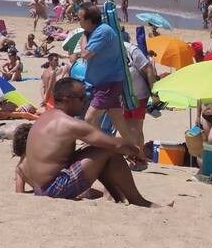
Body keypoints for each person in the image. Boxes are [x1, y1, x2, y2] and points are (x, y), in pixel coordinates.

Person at [17, 78, 156, 205]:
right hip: (53, 188)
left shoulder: (46, 117)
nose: (86, 102)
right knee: (106, 149)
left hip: (40, 188)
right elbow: (115, 144)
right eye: (82, 98)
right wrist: (138, 152)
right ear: (67, 100)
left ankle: (120, 198)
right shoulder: (68, 123)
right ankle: (139, 201)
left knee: (98, 150)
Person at [76, 6, 126, 133]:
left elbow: (85, 54)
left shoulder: (101, 32)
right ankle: (137, 151)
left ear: (89, 20)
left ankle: (100, 147)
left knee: (89, 119)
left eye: (80, 18)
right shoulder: (95, 31)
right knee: (120, 124)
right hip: (104, 83)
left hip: (107, 84)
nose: (78, 21)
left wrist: (83, 37)